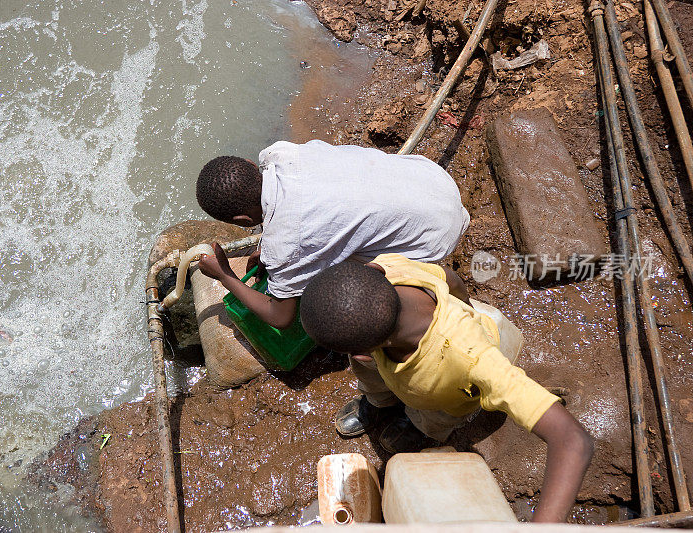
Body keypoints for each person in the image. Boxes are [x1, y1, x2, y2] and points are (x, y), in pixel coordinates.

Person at [299, 254, 594, 523]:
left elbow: (573, 441)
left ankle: (417, 427)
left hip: (450, 387)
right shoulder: (388, 269)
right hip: (388, 354)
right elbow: (448, 277)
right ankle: (377, 402)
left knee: (434, 415)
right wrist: (463, 302)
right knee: (375, 379)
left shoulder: (473, 359)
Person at [195, 139, 470, 329]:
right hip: (434, 182)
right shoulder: (280, 153)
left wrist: (225, 275)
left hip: (436, 238)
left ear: (242, 220)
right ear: (250, 164)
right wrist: (268, 252)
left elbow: (280, 317)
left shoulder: (286, 244)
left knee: (338, 279)